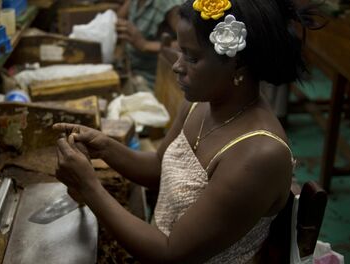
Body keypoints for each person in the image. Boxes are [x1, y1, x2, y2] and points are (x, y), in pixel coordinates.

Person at [54, 0, 320, 262]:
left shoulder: (258, 154)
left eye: (192, 57)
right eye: (181, 51)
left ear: (238, 64)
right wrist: (105, 147)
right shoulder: (200, 104)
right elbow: (159, 166)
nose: (177, 65)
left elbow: (171, 253)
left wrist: (89, 187)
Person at [116, 0, 183, 91]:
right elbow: (118, 19)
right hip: (132, 70)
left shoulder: (169, 4)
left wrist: (145, 45)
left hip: (152, 80)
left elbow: (190, 43)